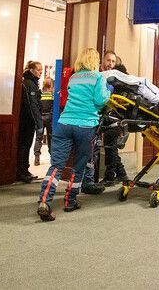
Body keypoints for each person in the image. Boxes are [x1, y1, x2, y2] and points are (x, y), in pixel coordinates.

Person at [37, 48, 112, 221]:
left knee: (56, 166)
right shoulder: (98, 77)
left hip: (64, 124)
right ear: (94, 60)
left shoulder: (73, 77)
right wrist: (108, 91)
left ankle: (44, 201)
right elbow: (100, 101)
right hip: (85, 126)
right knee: (78, 166)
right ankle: (70, 201)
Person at [81, 50, 128, 192]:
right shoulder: (100, 76)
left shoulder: (118, 77)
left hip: (116, 115)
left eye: (113, 61)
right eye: (108, 60)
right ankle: (122, 175)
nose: (110, 64)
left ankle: (110, 176)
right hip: (105, 115)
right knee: (110, 146)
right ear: (103, 61)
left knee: (110, 146)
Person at [18, 61, 43, 183]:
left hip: (29, 120)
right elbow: (32, 105)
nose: (40, 72)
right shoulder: (29, 84)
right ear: (31, 70)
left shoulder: (32, 83)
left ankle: (24, 170)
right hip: (26, 120)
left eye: (41, 70)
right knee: (24, 145)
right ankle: (21, 171)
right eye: (38, 70)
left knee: (27, 145)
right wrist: (39, 122)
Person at [34, 77, 54, 166]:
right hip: (49, 118)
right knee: (50, 138)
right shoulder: (52, 95)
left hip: (40, 118)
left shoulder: (39, 93)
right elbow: (53, 108)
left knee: (38, 138)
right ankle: (52, 157)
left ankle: (37, 157)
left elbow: (37, 105)